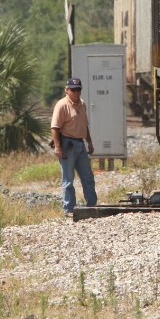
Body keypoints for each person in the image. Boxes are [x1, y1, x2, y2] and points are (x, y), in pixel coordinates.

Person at [50, 76, 97, 215]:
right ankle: (69, 209)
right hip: (67, 145)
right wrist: (58, 147)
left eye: (78, 90)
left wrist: (89, 142)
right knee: (68, 179)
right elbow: (55, 127)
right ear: (67, 90)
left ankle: (92, 205)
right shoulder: (62, 105)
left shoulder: (82, 104)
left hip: (80, 144)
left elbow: (85, 125)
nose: (76, 93)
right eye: (73, 90)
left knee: (88, 177)